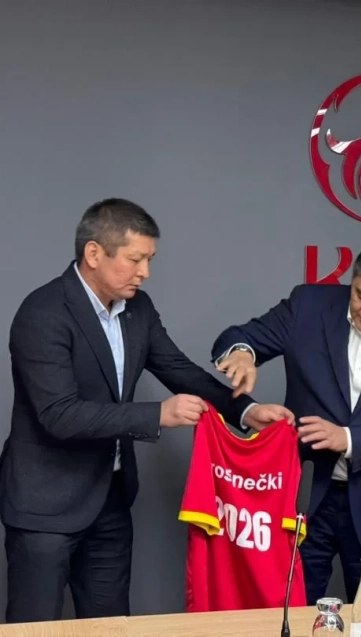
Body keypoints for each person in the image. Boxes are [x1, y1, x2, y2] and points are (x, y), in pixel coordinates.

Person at [0, 198, 292, 623]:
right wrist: (156, 415)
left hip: (111, 497)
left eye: (149, 260)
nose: (145, 272)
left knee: (111, 625)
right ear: (94, 253)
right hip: (44, 505)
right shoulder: (43, 313)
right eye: (135, 259)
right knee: (34, 626)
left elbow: (178, 370)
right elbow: (59, 415)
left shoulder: (138, 307)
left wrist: (245, 412)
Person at [210, 241, 361, 604]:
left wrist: (348, 439)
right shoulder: (308, 305)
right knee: (289, 612)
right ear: (353, 280)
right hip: (304, 498)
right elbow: (237, 338)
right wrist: (243, 354)